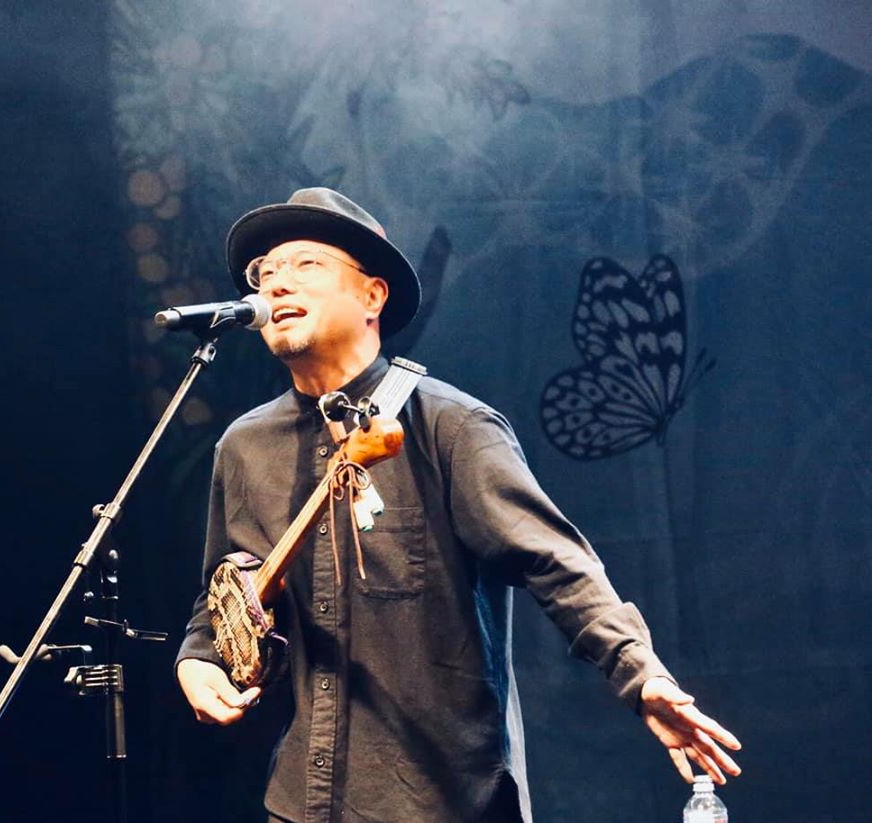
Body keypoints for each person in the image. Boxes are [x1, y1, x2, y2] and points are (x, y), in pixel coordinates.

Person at [176, 188, 741, 823]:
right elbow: (226, 587)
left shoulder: (451, 426)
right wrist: (200, 657)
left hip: (443, 799)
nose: (277, 283)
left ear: (372, 296)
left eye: (306, 264)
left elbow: (556, 564)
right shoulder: (246, 446)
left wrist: (641, 675)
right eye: (265, 272)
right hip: (302, 801)